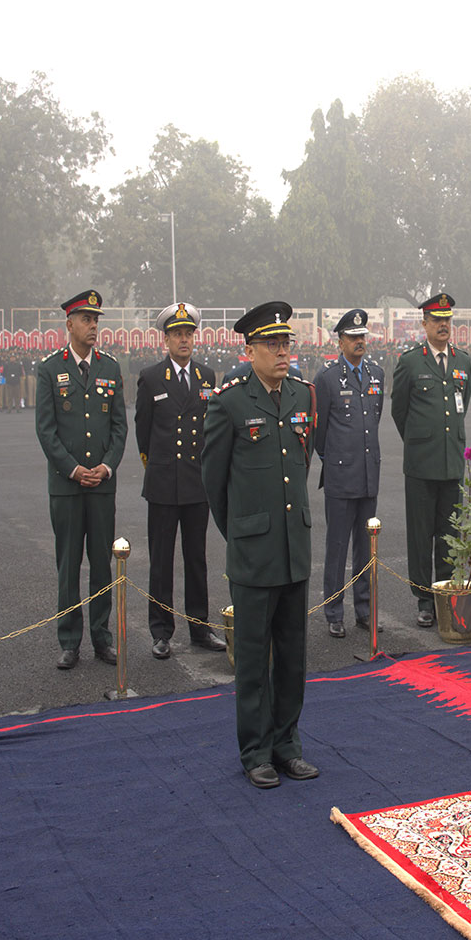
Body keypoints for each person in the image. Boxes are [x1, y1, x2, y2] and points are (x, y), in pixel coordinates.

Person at [204, 302, 318, 789]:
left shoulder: (303, 395)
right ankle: (255, 751)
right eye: (271, 344)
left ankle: (287, 745)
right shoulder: (228, 402)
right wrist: (243, 534)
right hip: (253, 551)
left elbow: (302, 462)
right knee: (253, 658)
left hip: (294, 548)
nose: (282, 351)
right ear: (248, 350)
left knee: (292, 656)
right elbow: (214, 484)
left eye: (286, 342)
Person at [35, 290, 128, 671]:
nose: (93, 326)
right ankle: (69, 640)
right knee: (69, 563)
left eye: (96, 320)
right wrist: (73, 468)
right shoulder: (48, 369)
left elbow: (119, 427)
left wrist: (106, 466)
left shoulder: (110, 368)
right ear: (69, 324)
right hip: (67, 485)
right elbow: (46, 429)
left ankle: (102, 638)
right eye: (86, 320)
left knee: (103, 565)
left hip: (102, 484)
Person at [135, 303, 226, 659]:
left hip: (195, 483)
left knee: (197, 559)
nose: (184, 339)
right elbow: (144, 432)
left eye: (188, 334)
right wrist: (154, 465)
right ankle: (161, 631)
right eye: (177, 334)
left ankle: (200, 627)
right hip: (162, 482)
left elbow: (211, 429)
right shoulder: (152, 377)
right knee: (161, 561)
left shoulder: (206, 376)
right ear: (167, 339)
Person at [391, 292, 471, 627]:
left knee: (448, 534)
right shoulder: (411, 362)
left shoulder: (462, 361)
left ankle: (445, 594)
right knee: (420, 535)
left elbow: (462, 403)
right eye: (436, 320)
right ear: (424, 324)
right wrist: (419, 442)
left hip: (451, 461)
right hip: (421, 464)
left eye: (447, 320)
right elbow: (400, 411)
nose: (443, 325)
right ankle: (424, 599)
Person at [313, 309, 385, 638]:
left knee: (365, 549)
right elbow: (319, 430)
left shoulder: (377, 373)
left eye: (362, 337)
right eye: (353, 337)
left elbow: (374, 418)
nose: (359, 342)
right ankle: (333, 610)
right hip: (341, 477)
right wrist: (335, 459)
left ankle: (364, 610)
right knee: (337, 546)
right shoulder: (326, 378)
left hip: (369, 473)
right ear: (340, 340)